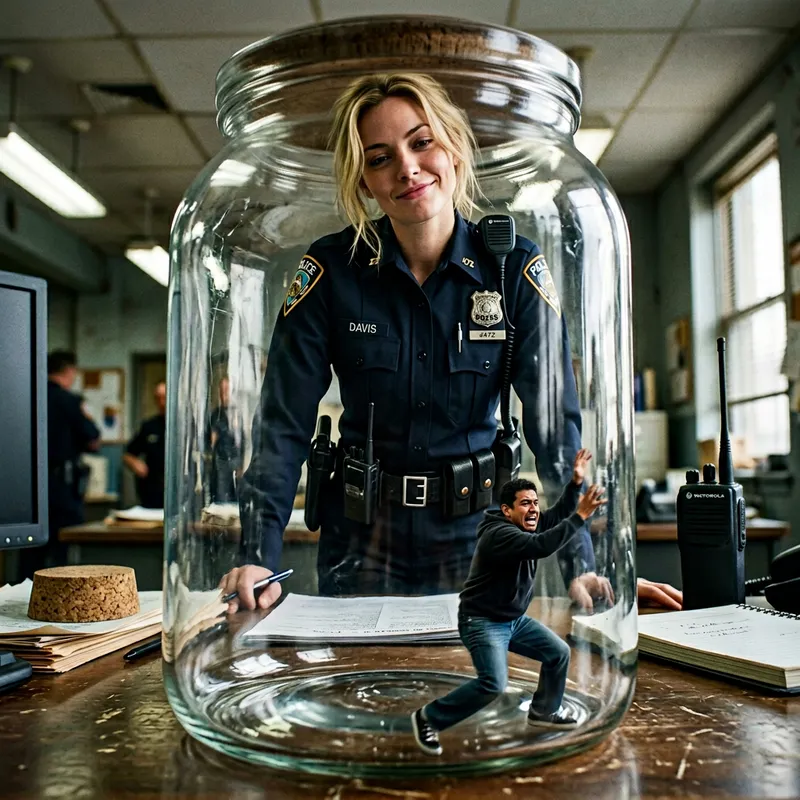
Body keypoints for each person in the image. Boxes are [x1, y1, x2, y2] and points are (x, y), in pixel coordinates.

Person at [223, 72, 681, 613]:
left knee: (485, 687)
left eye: (422, 142)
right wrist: (258, 554)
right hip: (363, 542)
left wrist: (582, 564)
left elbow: (555, 431)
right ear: (364, 180)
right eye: (379, 157)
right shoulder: (331, 270)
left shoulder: (512, 269)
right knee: (366, 691)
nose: (407, 168)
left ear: (455, 149)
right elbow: (282, 427)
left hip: (484, 537)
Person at [410, 452, 606, 756]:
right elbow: (542, 545)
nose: (533, 509)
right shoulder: (499, 535)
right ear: (506, 510)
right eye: (525, 504)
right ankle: (428, 717)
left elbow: (556, 517)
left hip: (513, 620)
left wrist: (576, 482)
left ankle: (544, 711)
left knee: (558, 653)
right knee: (492, 684)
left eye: (535, 503)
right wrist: (580, 516)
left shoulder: (529, 524)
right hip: (482, 621)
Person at [20, 351, 100, 578]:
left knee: (30, 551)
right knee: (62, 551)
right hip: (61, 487)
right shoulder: (69, 401)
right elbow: (92, 437)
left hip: (28, 487)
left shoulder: (29, 397)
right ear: (70, 371)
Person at [124, 381, 166, 509]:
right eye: (158, 398)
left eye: (165, 397)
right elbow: (128, 454)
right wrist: (136, 463)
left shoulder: (187, 426)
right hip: (152, 491)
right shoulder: (149, 426)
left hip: (178, 492)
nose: (162, 402)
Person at [208, 377, 243, 503]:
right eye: (222, 391)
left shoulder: (239, 414)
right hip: (221, 462)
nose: (225, 394)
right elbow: (211, 441)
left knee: (238, 496)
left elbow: (244, 440)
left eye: (227, 390)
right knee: (221, 496)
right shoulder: (215, 415)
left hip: (237, 461)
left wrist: (242, 464)